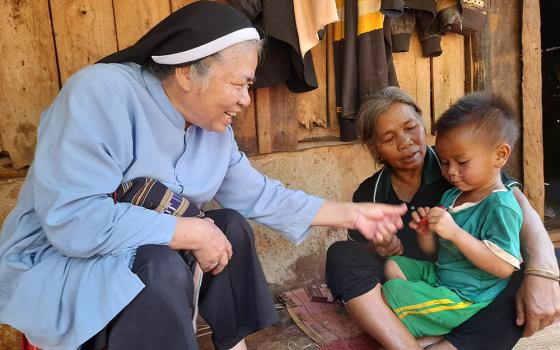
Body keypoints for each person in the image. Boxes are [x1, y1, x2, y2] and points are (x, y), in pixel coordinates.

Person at [0, 2, 407, 350]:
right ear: (187, 72)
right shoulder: (100, 95)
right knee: (159, 260)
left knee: (229, 226)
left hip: (133, 253)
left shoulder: (212, 130)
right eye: (239, 84)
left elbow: (262, 196)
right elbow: (75, 223)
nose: (246, 100)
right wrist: (193, 233)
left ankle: (234, 343)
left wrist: (352, 215)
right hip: (60, 258)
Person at [326, 86, 560, 350]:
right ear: (374, 148)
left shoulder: (464, 166)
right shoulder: (371, 191)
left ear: (422, 123)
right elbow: (360, 250)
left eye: (410, 127)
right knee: (340, 255)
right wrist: (378, 247)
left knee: (536, 267)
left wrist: (543, 272)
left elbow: (519, 208)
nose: (406, 142)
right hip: (417, 273)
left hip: (472, 276)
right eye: (389, 138)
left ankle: (448, 343)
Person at [381, 92, 523, 348]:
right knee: (393, 266)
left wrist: (455, 232)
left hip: (467, 296)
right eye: (445, 162)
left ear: (500, 155)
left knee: (392, 293)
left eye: (462, 162)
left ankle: (439, 328)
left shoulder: (500, 206)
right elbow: (436, 252)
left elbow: (504, 267)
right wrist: (426, 233)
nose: (451, 171)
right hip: (442, 276)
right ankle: (430, 320)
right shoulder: (452, 195)